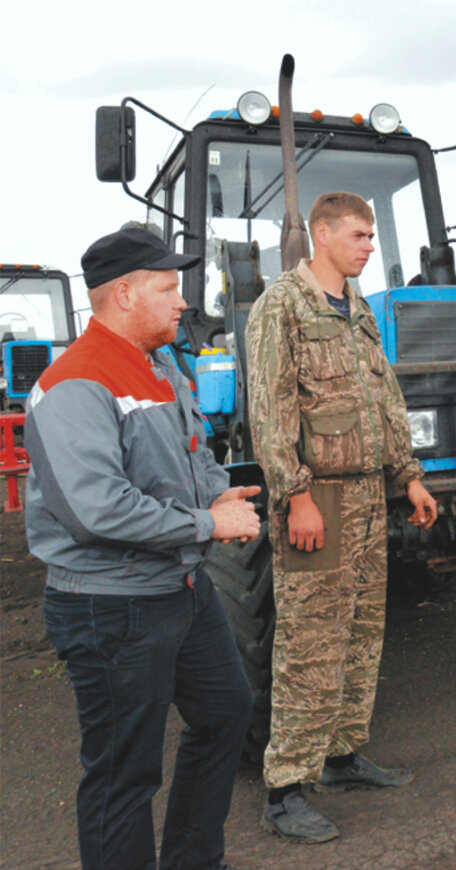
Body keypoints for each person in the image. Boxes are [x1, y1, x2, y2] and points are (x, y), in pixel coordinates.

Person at [24, 227, 261, 870]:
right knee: (124, 773)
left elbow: (200, 455)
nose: (182, 302)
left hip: (180, 590)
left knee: (226, 713)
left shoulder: (163, 366)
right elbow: (94, 511)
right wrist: (209, 526)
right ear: (124, 294)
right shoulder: (74, 382)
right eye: (168, 288)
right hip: (109, 606)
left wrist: (220, 499)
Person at [246, 191, 438, 844]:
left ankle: (341, 754)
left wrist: (408, 476)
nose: (368, 246)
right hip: (317, 499)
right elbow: (271, 407)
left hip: (364, 495)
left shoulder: (357, 310)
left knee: (360, 628)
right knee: (308, 644)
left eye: (371, 236)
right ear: (321, 233)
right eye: (358, 234)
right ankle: (284, 789)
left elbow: (384, 396)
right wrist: (295, 493)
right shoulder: (283, 306)